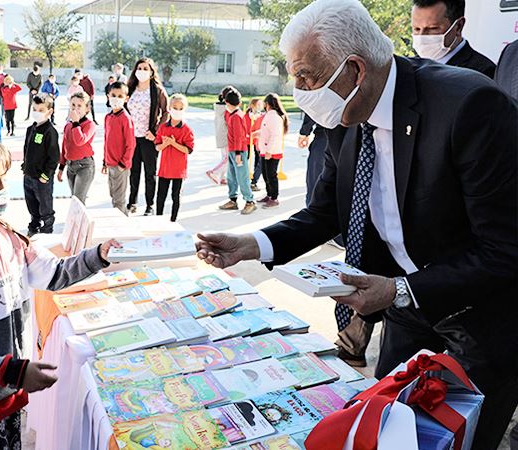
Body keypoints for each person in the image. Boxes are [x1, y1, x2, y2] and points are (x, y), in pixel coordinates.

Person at [195, 1, 518, 448]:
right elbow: (325, 210)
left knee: (453, 439)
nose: (299, 88)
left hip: (480, 316)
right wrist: (251, 244)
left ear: (354, 70)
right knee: (382, 431)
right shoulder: (346, 115)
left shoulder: (468, 106)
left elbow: (504, 249)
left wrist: (401, 290)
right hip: (408, 310)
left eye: (306, 75)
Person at [0, 133, 121, 450]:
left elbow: (55, 274)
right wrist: (13, 370)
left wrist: (97, 256)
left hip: (9, 387)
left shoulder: (4, 234)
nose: (2, 191)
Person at [125, 57, 169, 216]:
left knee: (150, 173)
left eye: (145, 68)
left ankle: (150, 205)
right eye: (139, 68)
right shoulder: (129, 88)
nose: (142, 71)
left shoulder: (157, 90)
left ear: (151, 72)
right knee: (133, 172)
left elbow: (166, 113)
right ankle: (132, 202)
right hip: (132, 138)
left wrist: (155, 131)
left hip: (149, 138)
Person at [411, 0, 496, 77]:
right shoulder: (409, 68)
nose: (422, 36)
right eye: (416, 29)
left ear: (459, 26)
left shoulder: (483, 72)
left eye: (433, 28)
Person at [155, 93, 194, 222]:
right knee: (161, 195)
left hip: (178, 170)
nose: (177, 111)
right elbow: (157, 147)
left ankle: (173, 220)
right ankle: (158, 219)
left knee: (175, 196)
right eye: (174, 107)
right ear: (169, 108)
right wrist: (165, 144)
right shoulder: (163, 127)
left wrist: (173, 143)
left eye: (180, 108)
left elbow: (188, 150)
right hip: (164, 169)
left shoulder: (187, 130)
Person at [23, 95, 58, 235]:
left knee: (45, 205)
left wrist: (46, 175)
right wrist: (25, 166)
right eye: (34, 109)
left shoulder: (50, 132)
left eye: (41, 109)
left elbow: (54, 157)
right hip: (29, 175)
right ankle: (34, 225)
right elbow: (27, 149)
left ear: (49, 111)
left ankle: (46, 228)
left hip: (41, 178)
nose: (37, 112)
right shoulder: (30, 129)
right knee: (31, 204)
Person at [218, 88, 256, 215]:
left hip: (238, 151)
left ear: (228, 103)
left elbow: (239, 137)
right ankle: (233, 200)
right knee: (232, 177)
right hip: (232, 150)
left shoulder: (236, 117)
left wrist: (239, 154)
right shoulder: (232, 114)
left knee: (242, 177)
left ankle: (250, 201)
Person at [102, 81, 135, 215]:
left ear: (126, 99)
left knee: (119, 200)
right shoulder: (108, 117)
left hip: (120, 165)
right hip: (110, 163)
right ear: (108, 96)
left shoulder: (125, 118)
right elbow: (106, 140)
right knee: (113, 195)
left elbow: (131, 144)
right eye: (113, 95)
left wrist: (123, 163)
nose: (116, 99)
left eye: (120, 96)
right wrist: (105, 161)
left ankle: (123, 226)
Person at [57, 91, 96, 204]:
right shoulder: (68, 125)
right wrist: (61, 166)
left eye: (79, 106)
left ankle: (80, 222)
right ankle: (76, 221)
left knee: (79, 200)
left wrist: (76, 123)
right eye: (73, 105)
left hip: (84, 166)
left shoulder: (89, 125)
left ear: (87, 109)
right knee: (74, 199)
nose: (75, 108)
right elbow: (65, 146)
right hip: (71, 165)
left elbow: (80, 141)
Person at [257, 93, 289, 208]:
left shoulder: (274, 116)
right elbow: (267, 130)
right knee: (265, 174)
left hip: (272, 152)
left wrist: (269, 151)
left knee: (271, 175)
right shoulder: (269, 115)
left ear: (267, 104)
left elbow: (275, 135)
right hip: (265, 150)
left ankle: (274, 198)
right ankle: (269, 194)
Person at [206, 86, 234, 185]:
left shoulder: (219, 108)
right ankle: (214, 172)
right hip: (226, 136)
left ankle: (222, 177)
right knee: (228, 158)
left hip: (220, 135)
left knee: (224, 157)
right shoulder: (226, 110)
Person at [298, 111, 327, 206]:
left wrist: (304, 132)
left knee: (316, 181)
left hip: (325, 136)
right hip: (352, 137)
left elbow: (314, 107)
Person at [245, 98, 265, 192]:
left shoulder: (261, 116)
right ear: (252, 106)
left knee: (258, 158)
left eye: (261, 105)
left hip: (257, 140)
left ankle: (254, 177)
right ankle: (244, 174)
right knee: (247, 156)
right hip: (248, 139)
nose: (260, 107)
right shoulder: (247, 116)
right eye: (258, 105)